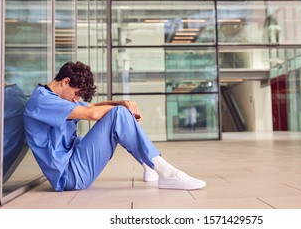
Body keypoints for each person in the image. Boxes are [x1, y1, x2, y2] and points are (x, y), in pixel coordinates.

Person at [23, 61, 206, 192]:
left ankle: (149, 165)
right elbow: (92, 114)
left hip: (75, 158)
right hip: (69, 175)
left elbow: (94, 106)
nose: (76, 100)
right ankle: (167, 173)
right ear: (65, 82)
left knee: (118, 113)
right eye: (77, 94)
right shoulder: (42, 101)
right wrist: (121, 111)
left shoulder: (54, 97)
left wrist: (121, 103)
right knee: (117, 114)